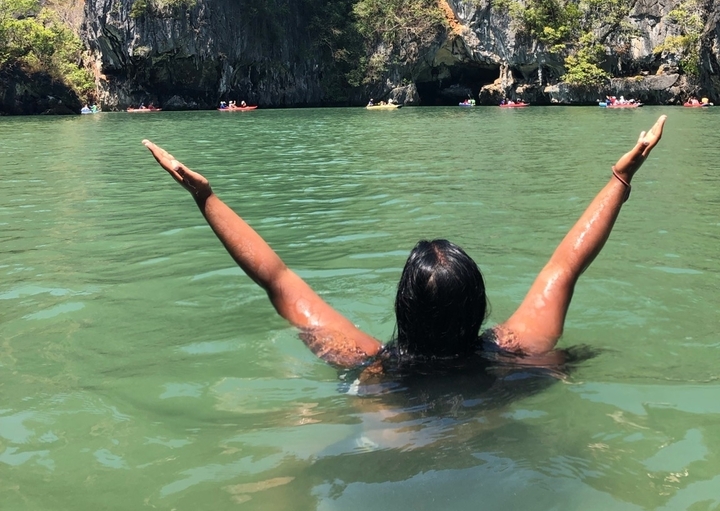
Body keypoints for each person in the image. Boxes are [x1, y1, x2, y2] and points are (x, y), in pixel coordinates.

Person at [142, 116, 665, 370]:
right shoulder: (517, 356)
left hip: (393, 455)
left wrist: (205, 197)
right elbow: (564, 266)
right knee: (568, 361)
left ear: (402, 307)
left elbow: (277, 280)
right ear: (479, 306)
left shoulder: (369, 367)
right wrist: (619, 180)